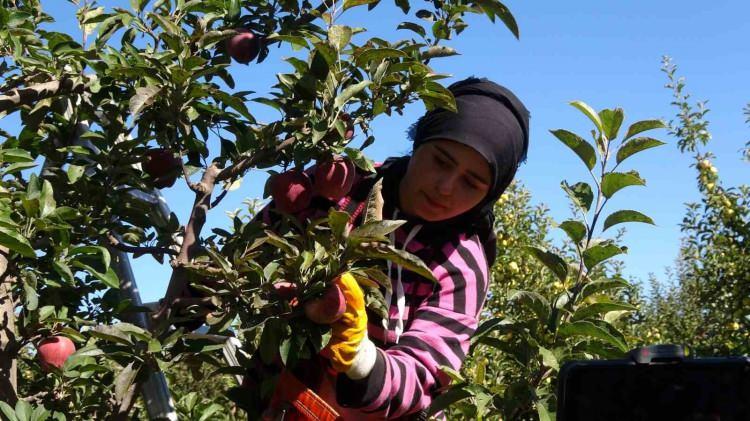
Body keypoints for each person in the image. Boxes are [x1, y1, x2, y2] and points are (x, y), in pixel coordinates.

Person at [256, 76, 530, 420]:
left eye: (471, 183)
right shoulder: (342, 187)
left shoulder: (462, 262)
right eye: (441, 161)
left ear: (489, 194)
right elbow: (254, 246)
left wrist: (360, 357)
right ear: (419, 143)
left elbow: (426, 372)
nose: (446, 188)